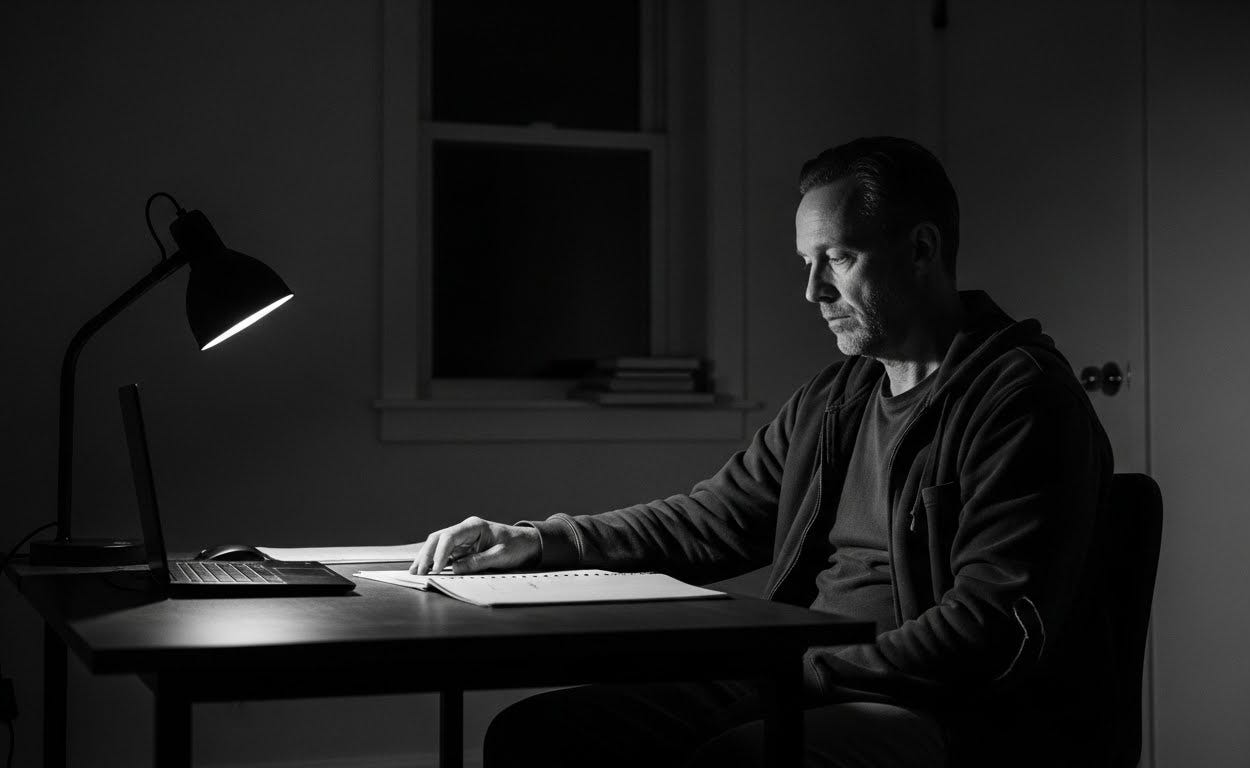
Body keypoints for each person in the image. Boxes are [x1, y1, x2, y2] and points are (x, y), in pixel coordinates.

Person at [410, 137, 1116, 767]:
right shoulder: (837, 397)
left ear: (921, 249)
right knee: (542, 733)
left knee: (741, 758)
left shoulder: (1018, 401)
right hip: (798, 674)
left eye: (837, 258)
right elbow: (707, 520)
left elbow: (983, 629)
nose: (813, 291)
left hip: (939, 708)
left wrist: (793, 676)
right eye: (808, 263)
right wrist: (536, 542)